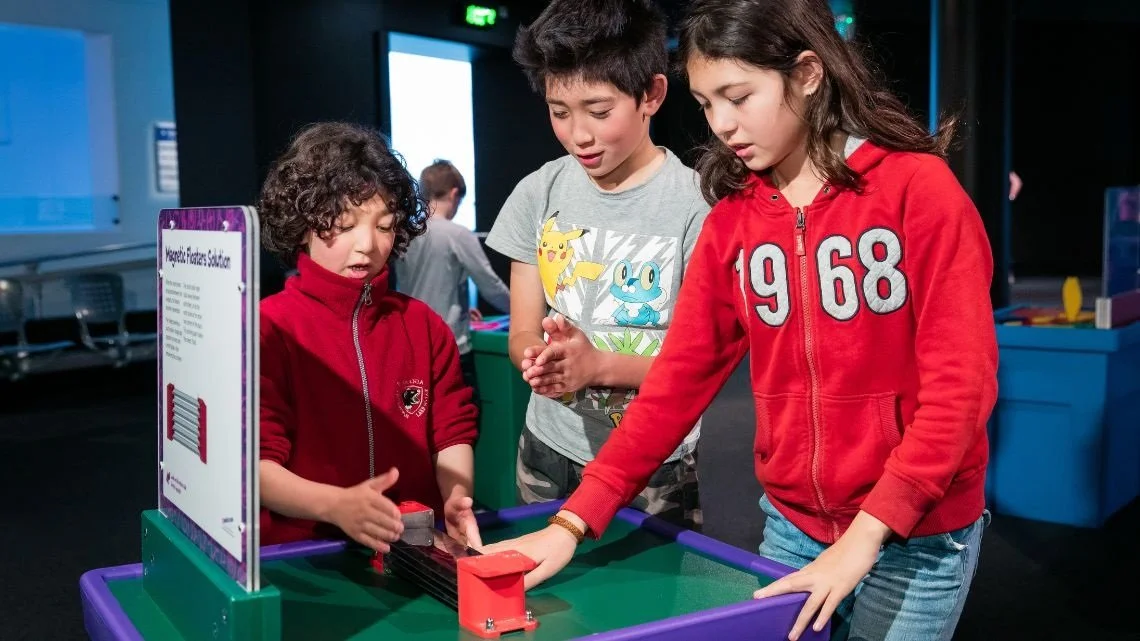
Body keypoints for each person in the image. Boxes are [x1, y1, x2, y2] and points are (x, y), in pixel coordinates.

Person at [485, 1, 998, 640]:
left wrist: (868, 534)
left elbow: (961, 391)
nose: (722, 124)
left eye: (739, 96)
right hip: (794, 525)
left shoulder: (918, 191)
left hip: (917, 537)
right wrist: (571, 523)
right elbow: (675, 386)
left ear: (808, 73)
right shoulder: (734, 223)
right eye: (706, 104)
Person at [484, 0, 712, 530]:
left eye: (599, 111)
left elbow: (697, 367)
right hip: (546, 451)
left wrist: (597, 367)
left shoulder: (696, 206)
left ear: (651, 95)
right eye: (559, 112)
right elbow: (521, 331)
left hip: (656, 464)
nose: (578, 134)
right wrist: (541, 360)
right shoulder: (537, 193)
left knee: (648, 607)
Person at [256, 122, 483, 553]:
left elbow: (451, 433)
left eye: (384, 225)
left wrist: (455, 498)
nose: (367, 245)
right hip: (308, 556)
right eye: (343, 224)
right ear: (302, 224)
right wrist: (337, 505)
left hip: (415, 548)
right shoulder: (270, 328)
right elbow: (258, 465)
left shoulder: (423, 325)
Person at [395, 159, 511, 405]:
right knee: (461, 426)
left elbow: (418, 286)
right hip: (449, 350)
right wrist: (530, 312)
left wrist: (459, 308)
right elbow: (491, 288)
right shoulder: (457, 234)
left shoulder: (404, 233)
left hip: (409, 347)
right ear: (455, 193)